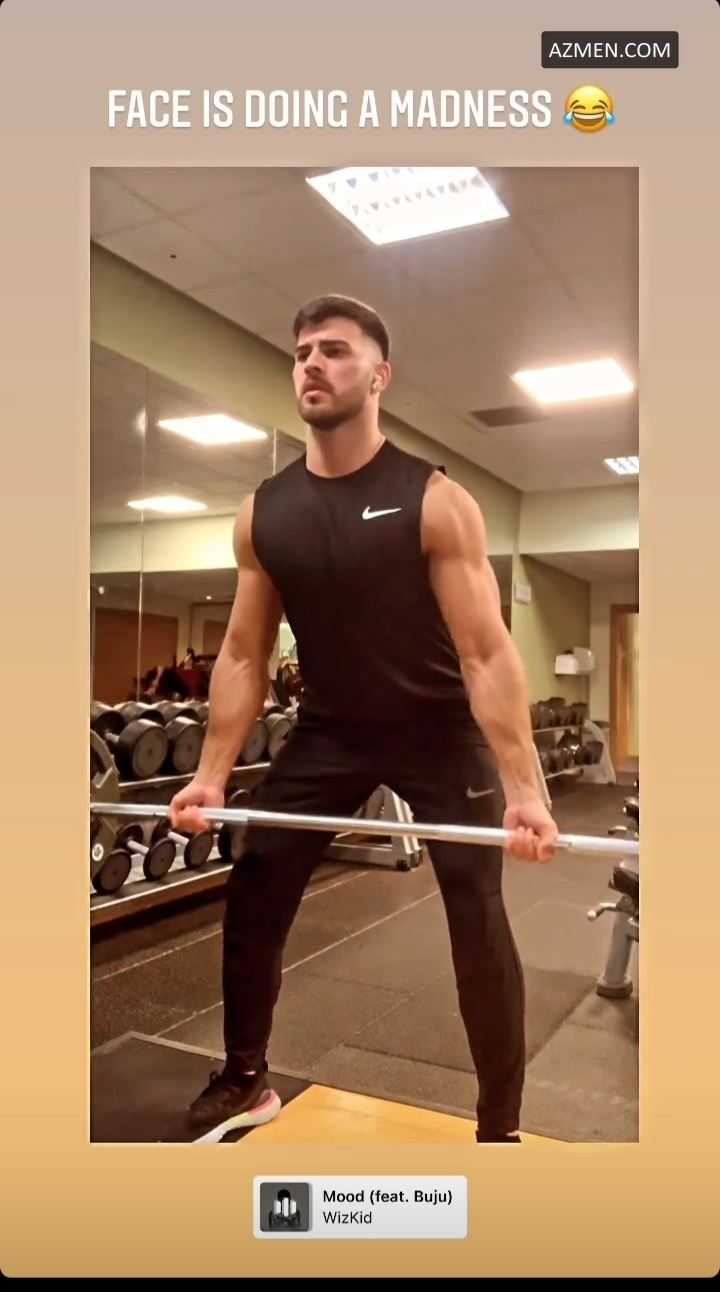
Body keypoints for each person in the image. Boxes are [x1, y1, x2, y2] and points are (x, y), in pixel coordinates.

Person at [167, 293, 559, 1144]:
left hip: (438, 728)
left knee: (476, 910)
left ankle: (499, 1128)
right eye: (302, 351)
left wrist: (525, 788)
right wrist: (209, 777)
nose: (312, 362)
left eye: (335, 350)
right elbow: (243, 654)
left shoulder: (435, 499)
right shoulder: (264, 512)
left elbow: (486, 652)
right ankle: (246, 1080)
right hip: (331, 728)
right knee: (257, 878)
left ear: (379, 376)